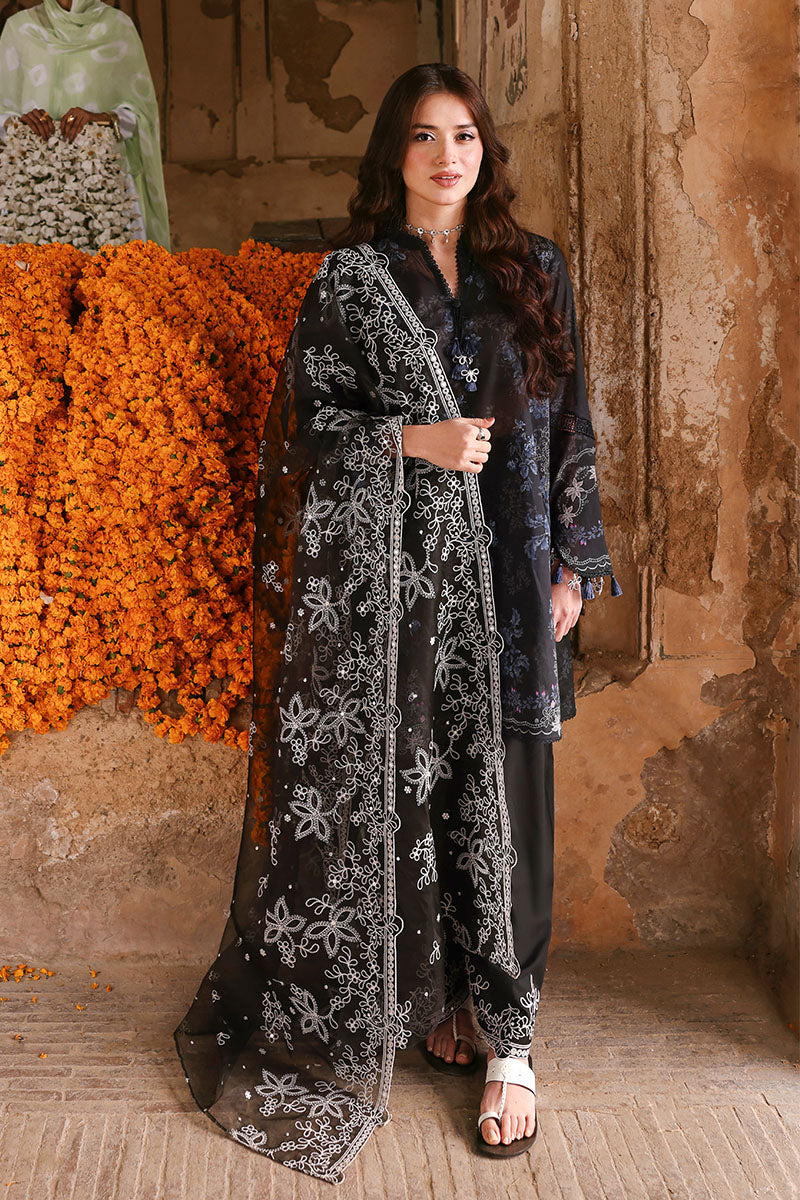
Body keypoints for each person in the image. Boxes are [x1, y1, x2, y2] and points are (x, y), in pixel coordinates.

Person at [174, 62, 622, 1184]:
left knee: (512, 797)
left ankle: (511, 1047)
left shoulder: (534, 269)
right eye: (423, 136)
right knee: (420, 790)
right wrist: (407, 442)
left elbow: (571, 414)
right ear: (393, 155)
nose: (445, 156)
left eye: (462, 135)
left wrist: (575, 560)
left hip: (512, 578)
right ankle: (443, 998)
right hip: (401, 594)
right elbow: (297, 437)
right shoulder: (354, 280)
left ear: (484, 151)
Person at [0, 0, 170, 247]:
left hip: (102, 193)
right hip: (33, 192)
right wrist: (18, 122)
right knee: (32, 269)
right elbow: (2, 111)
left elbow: (142, 115)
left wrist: (100, 118)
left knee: (105, 268)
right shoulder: (20, 28)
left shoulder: (117, 27)